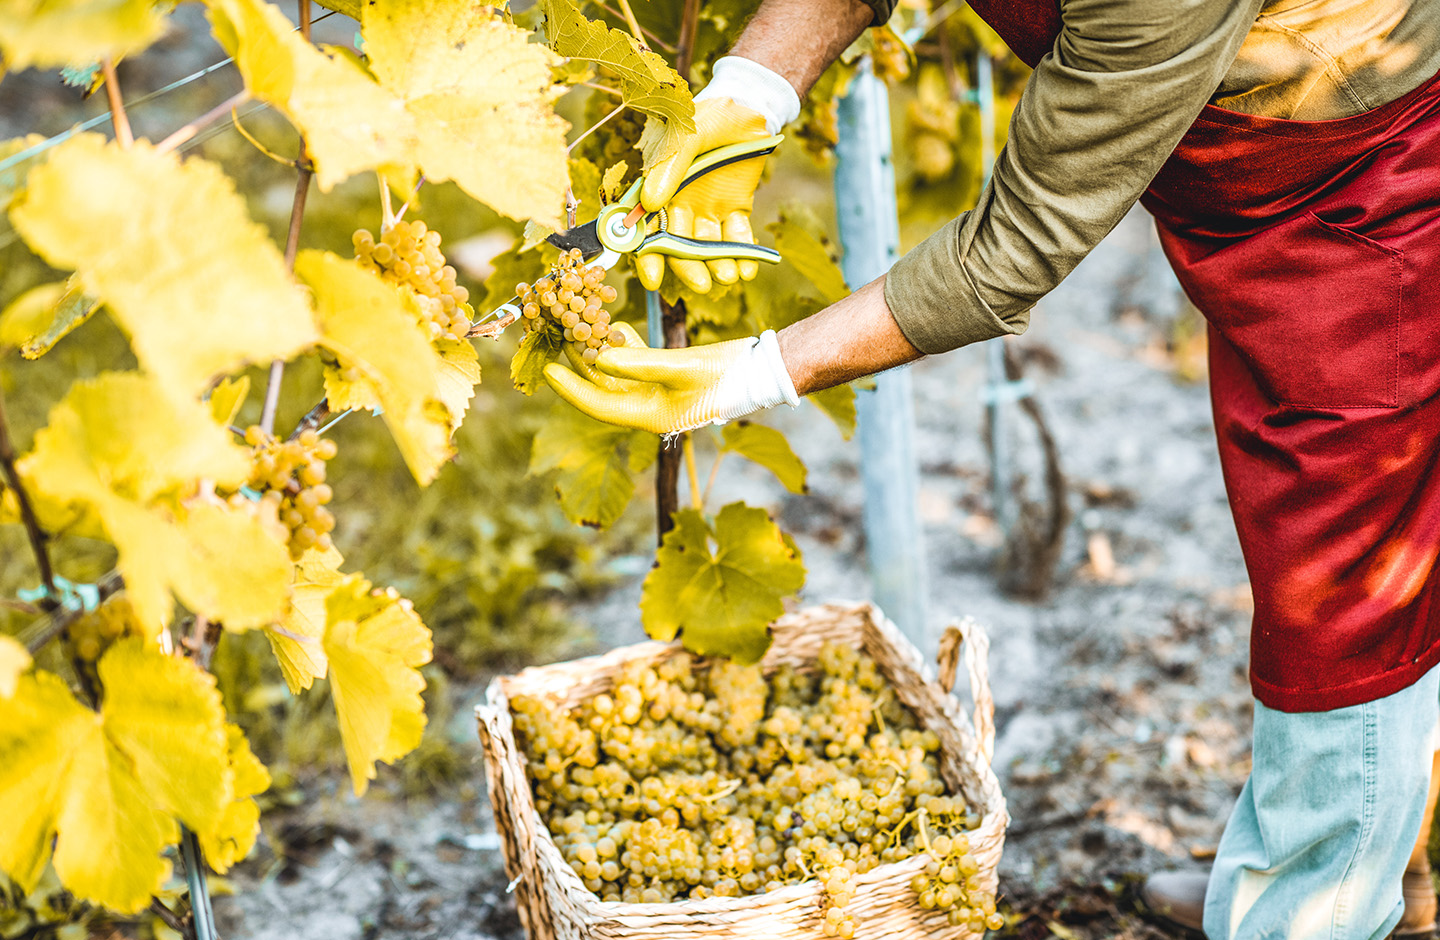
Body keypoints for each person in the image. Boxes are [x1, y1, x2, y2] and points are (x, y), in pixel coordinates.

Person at [543, 0, 1440, 936]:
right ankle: (1349, 861)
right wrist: (752, 92)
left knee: (1343, 572)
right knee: (1329, 533)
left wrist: (757, 371)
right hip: (1244, 168)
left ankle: (1311, 907)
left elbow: (1012, 248)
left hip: (1362, 190)